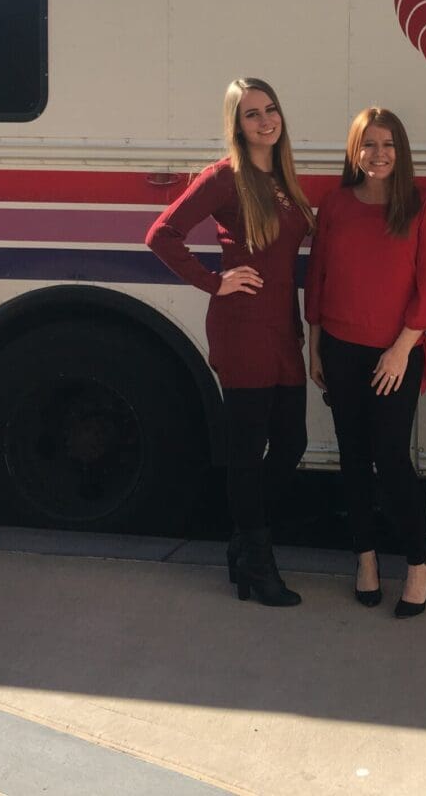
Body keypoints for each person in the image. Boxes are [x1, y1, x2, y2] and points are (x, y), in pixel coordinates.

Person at [147, 78, 315, 607]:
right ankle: (258, 563)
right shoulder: (226, 178)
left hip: (283, 327)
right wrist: (215, 281)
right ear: (236, 125)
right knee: (247, 450)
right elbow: (161, 234)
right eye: (251, 115)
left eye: (271, 110)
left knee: (291, 443)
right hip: (243, 327)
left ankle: (244, 543)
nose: (266, 120)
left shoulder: (284, 176)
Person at [305, 107, 426, 618]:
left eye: (387, 144)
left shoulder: (422, 206)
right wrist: (314, 342)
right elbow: (319, 276)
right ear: (354, 151)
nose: (378, 154)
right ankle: (365, 559)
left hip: (398, 353)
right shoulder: (337, 205)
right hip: (341, 349)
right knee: (351, 457)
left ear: (401, 150)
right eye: (368, 145)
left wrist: (400, 349)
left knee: (390, 459)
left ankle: (417, 563)